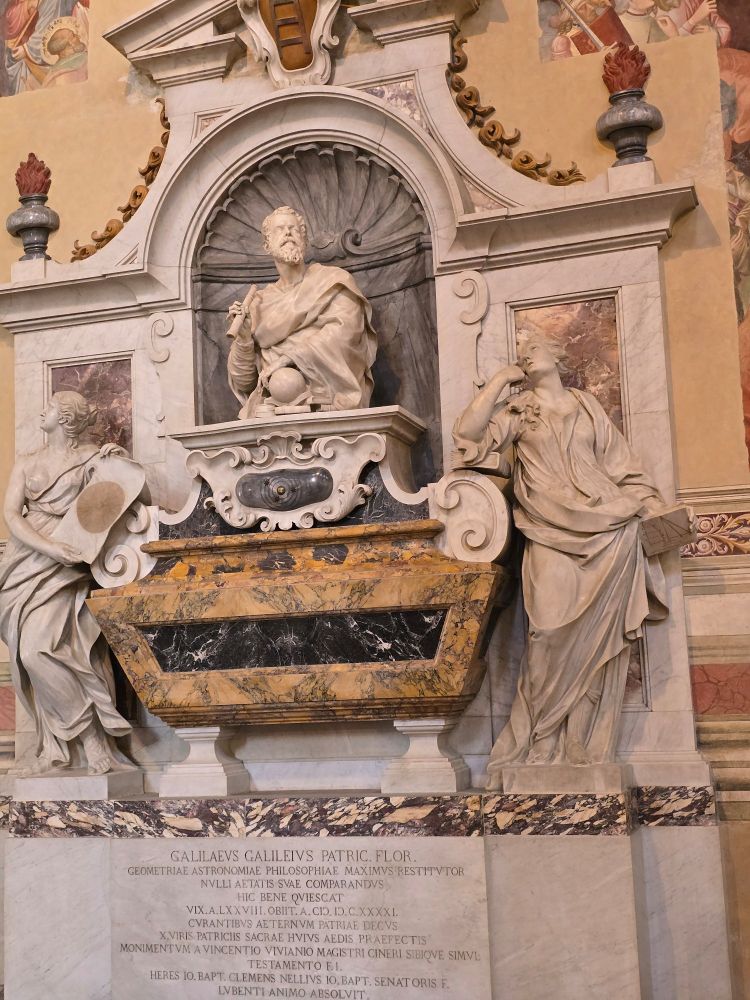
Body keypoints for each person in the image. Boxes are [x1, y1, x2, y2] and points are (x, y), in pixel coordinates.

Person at [454, 332, 668, 778]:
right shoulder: (518, 409)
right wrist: (498, 382)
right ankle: (539, 737)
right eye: (520, 353)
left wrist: (648, 505)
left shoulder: (587, 406)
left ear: (558, 354)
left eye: (534, 348)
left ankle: (575, 744)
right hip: (549, 531)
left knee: (595, 643)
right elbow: (468, 436)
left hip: (609, 530)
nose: (525, 354)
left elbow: (621, 468)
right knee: (547, 634)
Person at [0, 391, 132, 775]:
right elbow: (12, 516)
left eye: (52, 406)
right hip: (25, 564)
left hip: (67, 565)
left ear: (68, 419)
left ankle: (92, 740)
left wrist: (116, 462)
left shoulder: (91, 459)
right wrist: (49, 546)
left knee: (39, 650)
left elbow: (115, 497)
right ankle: (54, 748)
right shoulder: (26, 464)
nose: (43, 410)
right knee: (30, 654)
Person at [227, 206, 377, 417]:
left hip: (329, 395)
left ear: (305, 241)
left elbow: (346, 333)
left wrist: (289, 358)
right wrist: (243, 339)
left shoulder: (333, 281)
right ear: (266, 245)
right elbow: (245, 382)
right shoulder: (258, 303)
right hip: (272, 406)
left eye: (294, 229)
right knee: (281, 382)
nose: (288, 233)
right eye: (280, 230)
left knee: (284, 380)